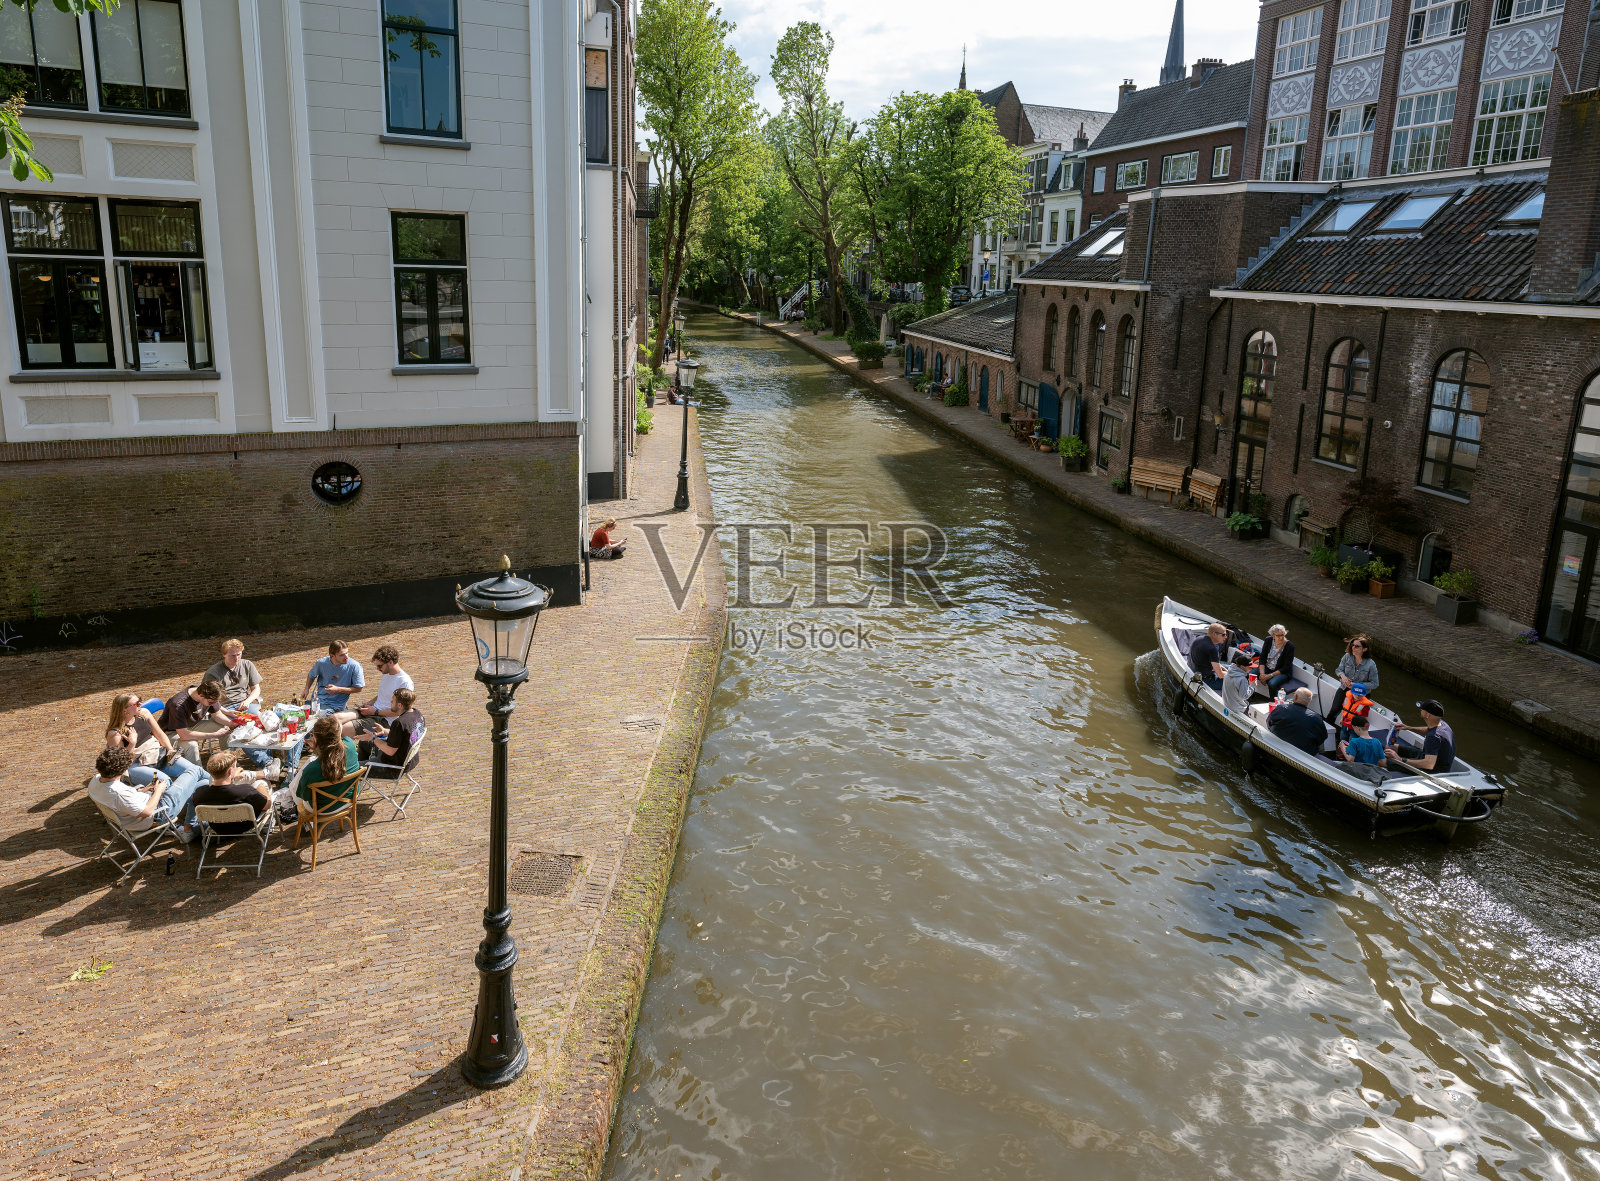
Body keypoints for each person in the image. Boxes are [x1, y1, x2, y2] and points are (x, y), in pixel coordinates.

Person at [88, 744, 209, 841]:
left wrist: (142, 790)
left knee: (202, 784)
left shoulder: (96, 780)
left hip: (142, 808)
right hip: (160, 812)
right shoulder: (119, 793)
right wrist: (159, 791)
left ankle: (188, 829)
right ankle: (225, 786)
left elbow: (121, 801)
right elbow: (147, 812)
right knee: (195, 770)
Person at [281, 716, 361, 823]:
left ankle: (289, 801)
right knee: (311, 762)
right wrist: (318, 748)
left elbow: (303, 796)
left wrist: (316, 749)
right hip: (349, 799)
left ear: (316, 739)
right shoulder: (350, 745)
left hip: (322, 809)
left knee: (305, 771)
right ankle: (287, 797)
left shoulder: (312, 770)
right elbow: (332, 755)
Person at [188, 750, 273, 835]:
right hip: (244, 827)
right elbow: (267, 805)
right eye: (235, 767)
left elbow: (221, 794)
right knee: (263, 784)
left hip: (218, 828)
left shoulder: (199, 793)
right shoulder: (245, 791)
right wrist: (261, 786)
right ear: (229, 771)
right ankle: (268, 823)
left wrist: (231, 777)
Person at [338, 644, 413, 736]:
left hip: (385, 721)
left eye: (380, 666)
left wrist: (375, 712)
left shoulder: (404, 682)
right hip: (373, 711)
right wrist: (370, 703)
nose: (378, 669)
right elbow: (384, 694)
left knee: (343, 729)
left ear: (390, 662)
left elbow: (399, 712)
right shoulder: (386, 673)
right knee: (335, 719)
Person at [162, 680, 236, 765]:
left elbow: (217, 715)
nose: (213, 705)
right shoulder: (178, 705)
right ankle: (198, 774)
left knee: (226, 729)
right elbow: (184, 735)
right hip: (172, 732)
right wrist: (215, 734)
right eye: (211, 702)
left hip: (191, 725)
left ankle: (230, 765)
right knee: (192, 745)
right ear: (201, 695)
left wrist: (231, 723)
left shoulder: (206, 691)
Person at [105, 691, 174, 771]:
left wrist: (170, 750)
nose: (140, 704)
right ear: (124, 710)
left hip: (156, 753)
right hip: (135, 764)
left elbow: (159, 734)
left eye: (140, 700)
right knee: (165, 780)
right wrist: (131, 744)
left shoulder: (144, 713)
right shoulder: (116, 733)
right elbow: (120, 762)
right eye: (136, 704)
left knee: (191, 769)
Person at [364, 687, 423, 779]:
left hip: (392, 768)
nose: (390, 703)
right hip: (410, 761)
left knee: (354, 768)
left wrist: (373, 738)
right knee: (364, 743)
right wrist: (384, 731)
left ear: (400, 705)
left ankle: (360, 778)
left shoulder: (399, 723)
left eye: (392, 701)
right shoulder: (417, 714)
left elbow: (390, 751)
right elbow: (404, 734)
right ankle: (364, 774)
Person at [1386, 699, 1456, 774]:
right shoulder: (1442, 724)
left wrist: (1400, 760)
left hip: (1434, 771)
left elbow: (1429, 765)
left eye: (1422, 709)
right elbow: (1428, 730)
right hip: (1428, 758)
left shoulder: (1433, 737)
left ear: (1427, 715)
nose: (1420, 710)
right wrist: (1408, 728)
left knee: (1384, 762)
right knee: (1392, 747)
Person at [301, 640, 365, 715]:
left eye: (347, 653)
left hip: (335, 705)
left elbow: (359, 688)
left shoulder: (355, 666)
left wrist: (337, 689)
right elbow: (311, 675)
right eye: (342, 655)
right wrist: (306, 689)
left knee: (317, 720)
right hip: (317, 701)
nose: (346, 657)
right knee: (295, 712)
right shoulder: (321, 663)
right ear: (332, 656)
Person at [203, 638, 263, 713]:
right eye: (232, 656)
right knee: (237, 723)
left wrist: (248, 701)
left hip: (245, 704)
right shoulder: (213, 673)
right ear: (224, 654)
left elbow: (256, 688)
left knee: (264, 720)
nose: (236, 658)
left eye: (239, 654)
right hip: (225, 708)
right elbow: (208, 699)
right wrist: (226, 712)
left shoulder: (247, 665)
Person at [1329, 634, 1380, 721]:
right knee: (1334, 709)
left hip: (1360, 694)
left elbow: (1375, 684)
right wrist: (1343, 676)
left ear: (1364, 649)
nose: (1353, 648)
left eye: (1357, 646)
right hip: (1344, 688)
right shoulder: (1347, 656)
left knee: (1353, 718)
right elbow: (1339, 670)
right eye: (1352, 645)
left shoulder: (1371, 665)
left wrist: (1356, 685)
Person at [1268, 687, 1329, 755]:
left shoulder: (1281, 709)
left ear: (1295, 697)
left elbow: (1269, 723)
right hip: (1304, 755)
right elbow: (1323, 737)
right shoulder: (1317, 718)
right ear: (1310, 700)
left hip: (1277, 747)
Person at [1257, 624, 1297, 696]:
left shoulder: (1290, 646)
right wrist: (1262, 674)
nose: (1281, 637)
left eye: (1283, 635)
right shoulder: (1268, 640)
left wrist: (1269, 676)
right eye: (1278, 636)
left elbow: (1286, 667)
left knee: (1272, 683)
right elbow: (1262, 657)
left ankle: (1273, 703)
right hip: (1268, 667)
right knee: (1251, 674)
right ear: (1273, 635)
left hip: (1282, 672)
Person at [1189, 622, 1229, 691]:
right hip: (1205, 680)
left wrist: (1227, 671)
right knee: (1235, 681)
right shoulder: (1212, 649)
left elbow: (1216, 663)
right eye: (1223, 635)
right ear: (1214, 634)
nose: (1226, 637)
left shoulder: (1200, 638)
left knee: (1232, 668)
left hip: (1195, 669)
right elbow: (1220, 675)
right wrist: (1232, 674)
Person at [1222, 650, 1255, 717]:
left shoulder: (1228, 673)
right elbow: (1244, 696)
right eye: (1250, 667)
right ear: (1242, 666)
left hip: (1226, 704)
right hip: (1238, 709)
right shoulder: (1242, 679)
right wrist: (1252, 685)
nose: (1252, 669)